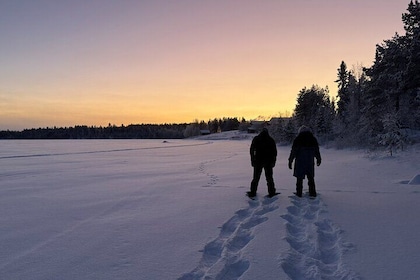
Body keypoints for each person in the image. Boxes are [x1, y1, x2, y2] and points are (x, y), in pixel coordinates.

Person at [288, 126, 321, 197]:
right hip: (310, 161)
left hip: (300, 162)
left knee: (299, 179)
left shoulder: (298, 139)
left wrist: (290, 161)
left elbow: (293, 151)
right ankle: (312, 192)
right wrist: (318, 159)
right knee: (311, 178)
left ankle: (299, 193)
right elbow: (317, 150)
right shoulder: (313, 139)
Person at [247, 128, 277, 198]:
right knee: (269, 178)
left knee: (256, 178)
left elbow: (251, 150)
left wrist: (252, 159)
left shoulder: (256, 139)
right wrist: (273, 161)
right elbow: (274, 152)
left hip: (258, 161)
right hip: (268, 161)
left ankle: (253, 192)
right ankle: (271, 192)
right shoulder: (271, 140)